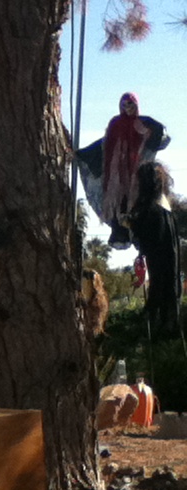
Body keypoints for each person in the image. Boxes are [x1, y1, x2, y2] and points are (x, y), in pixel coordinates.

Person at [76, 92, 169, 248]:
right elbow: (104, 143)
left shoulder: (142, 124)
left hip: (135, 172)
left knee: (136, 202)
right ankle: (119, 232)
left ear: (136, 105)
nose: (127, 108)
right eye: (124, 105)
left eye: (130, 104)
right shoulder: (115, 123)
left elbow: (160, 135)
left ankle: (137, 236)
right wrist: (83, 154)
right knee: (116, 204)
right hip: (115, 174)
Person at [129, 161, 182, 333]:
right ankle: (166, 324)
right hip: (166, 262)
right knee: (169, 287)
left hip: (158, 262)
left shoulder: (151, 209)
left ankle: (159, 325)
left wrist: (132, 224)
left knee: (161, 287)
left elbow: (146, 239)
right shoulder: (163, 206)